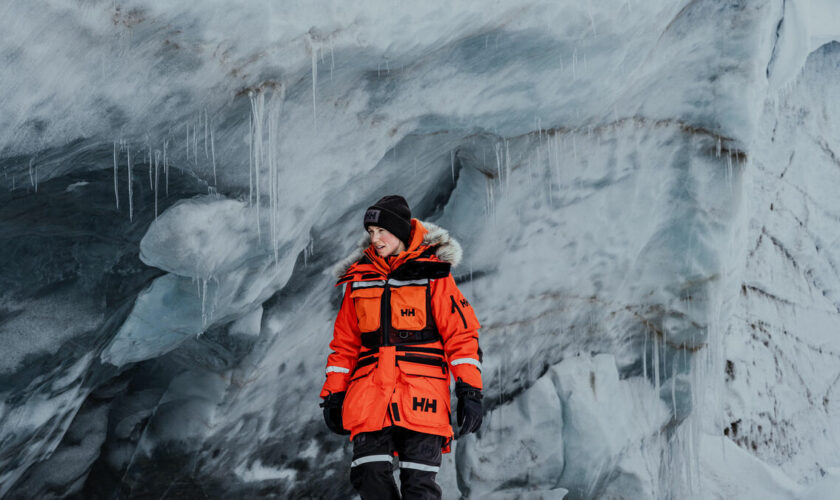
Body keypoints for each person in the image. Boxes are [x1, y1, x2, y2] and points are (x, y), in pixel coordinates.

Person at [320, 195, 484, 499]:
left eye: (382, 231)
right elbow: (344, 346)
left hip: (423, 396)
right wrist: (333, 394)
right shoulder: (358, 280)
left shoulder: (433, 274)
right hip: (369, 397)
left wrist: (470, 391)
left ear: (400, 232)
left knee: (419, 487)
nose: (375, 238)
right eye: (371, 232)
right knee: (368, 477)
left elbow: (461, 336)